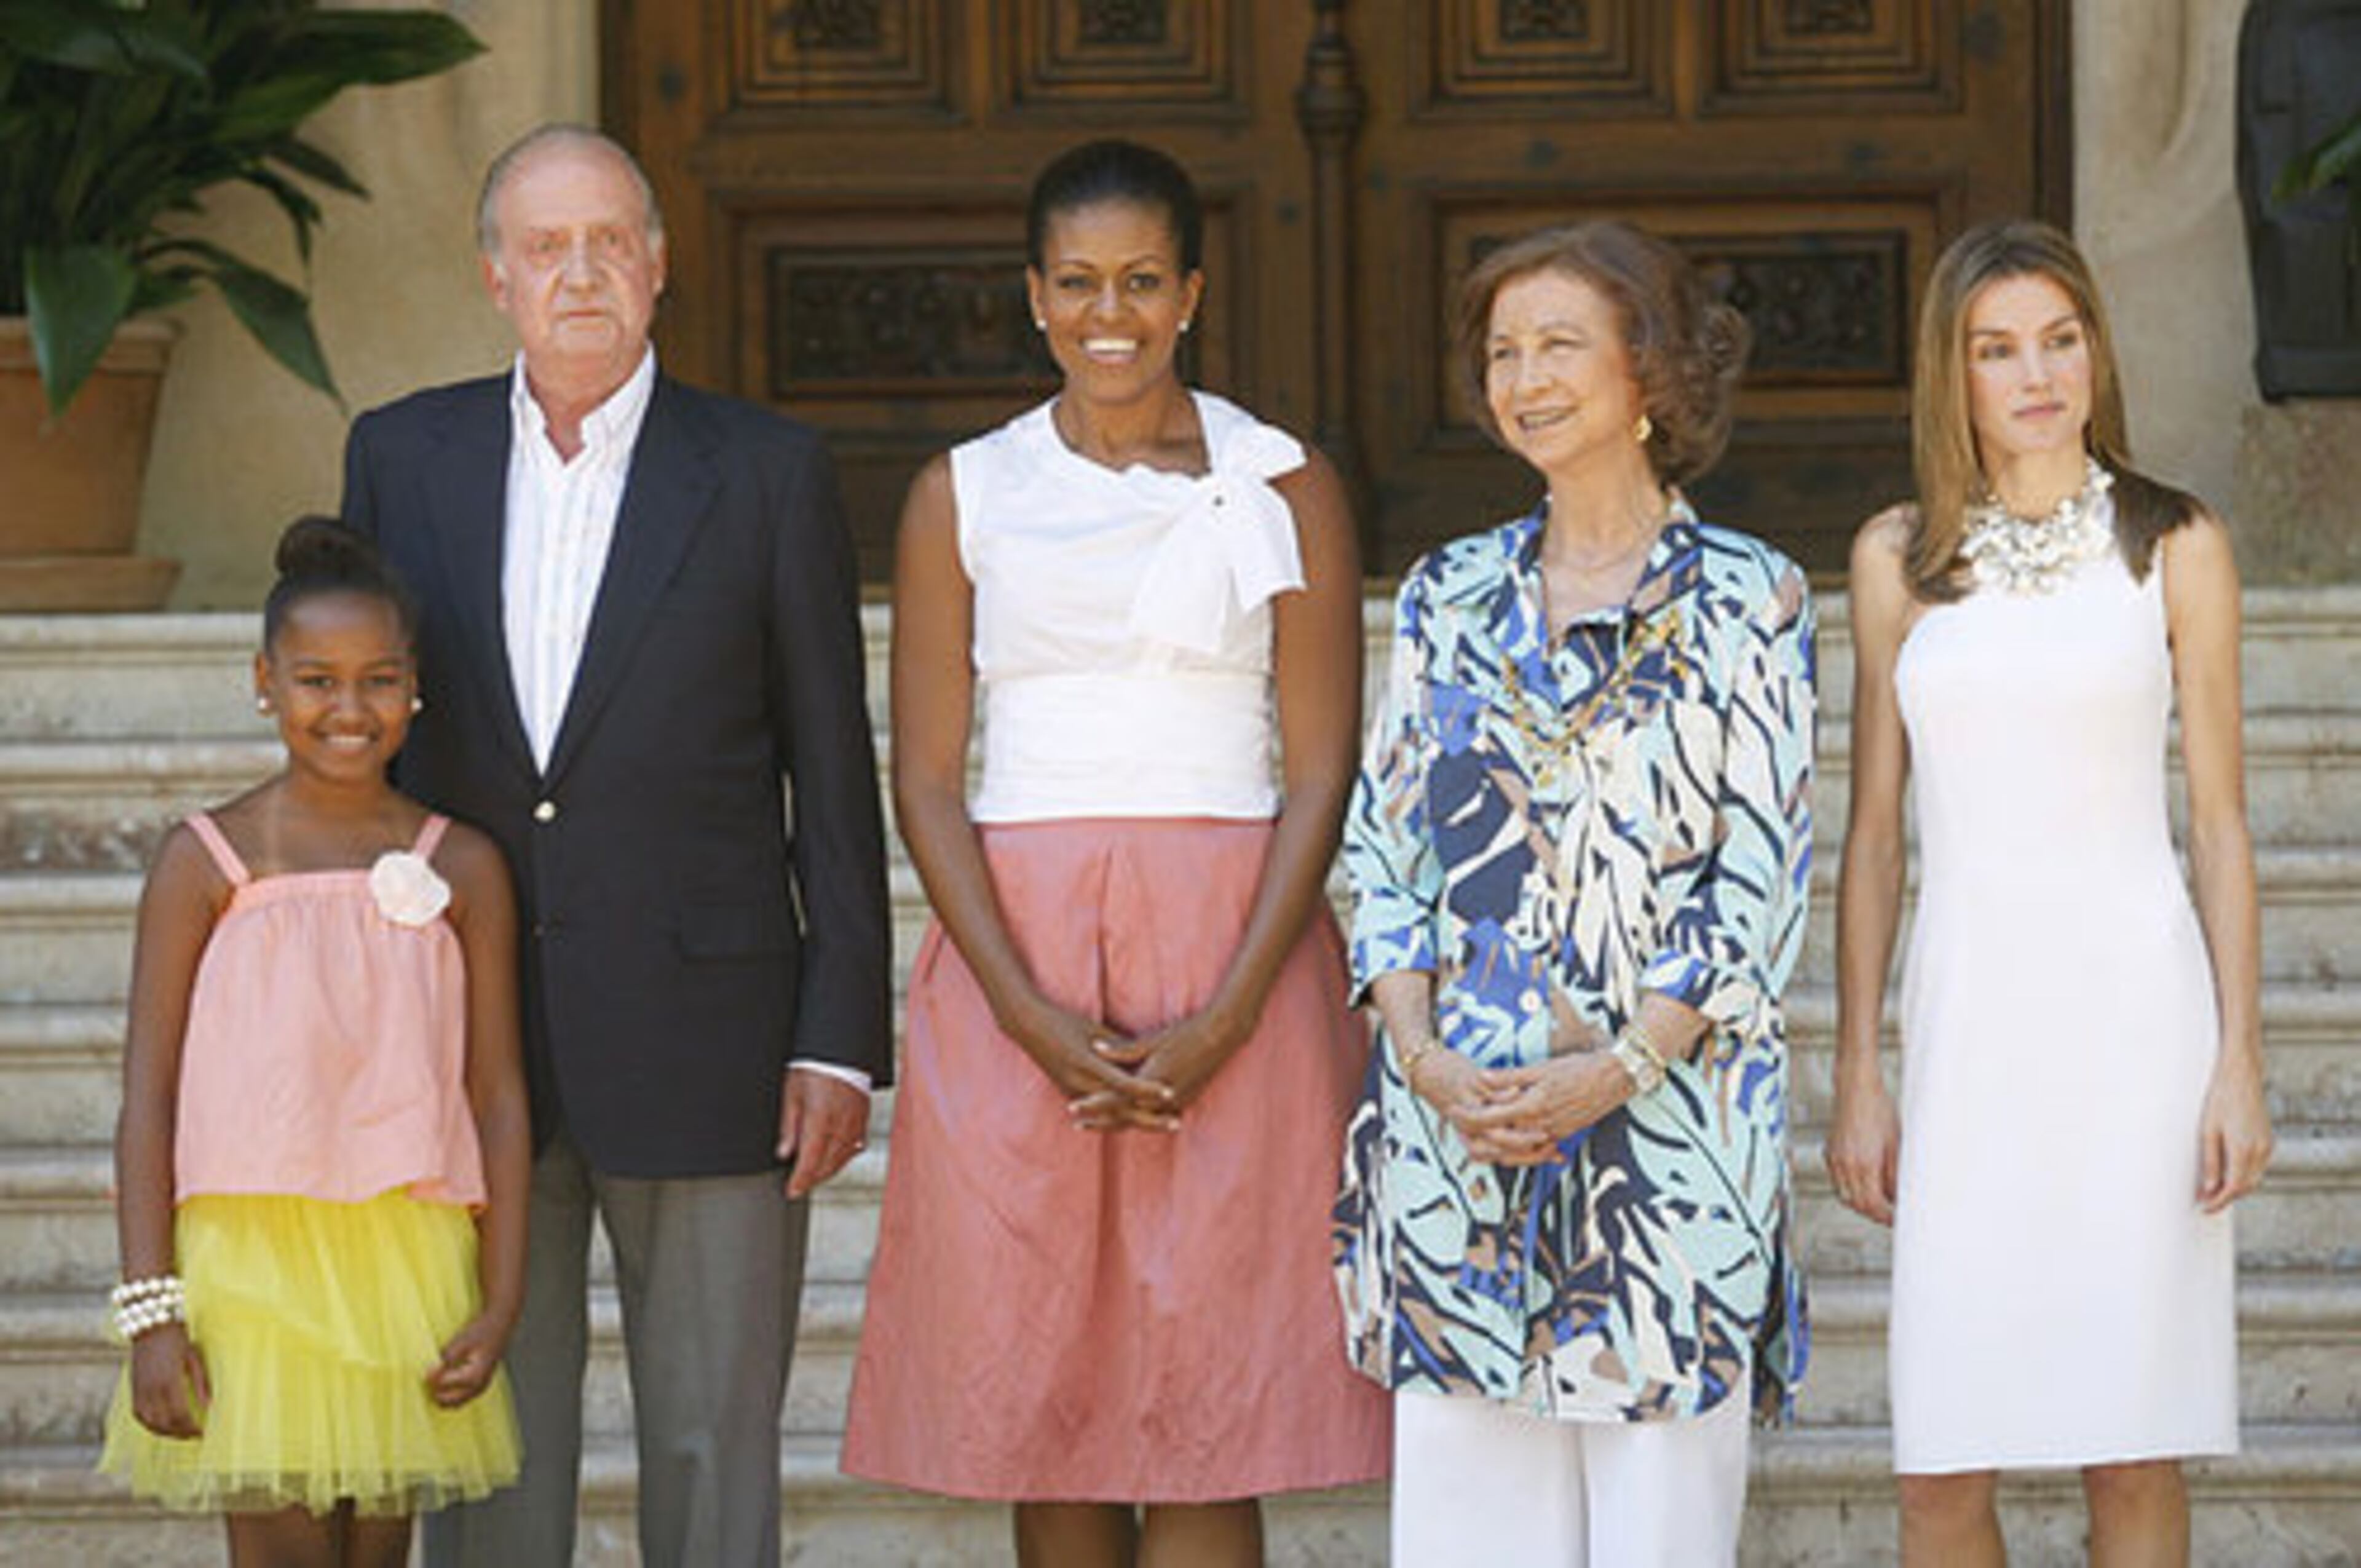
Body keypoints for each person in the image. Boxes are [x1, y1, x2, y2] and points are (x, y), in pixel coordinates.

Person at [339, 124, 893, 1568]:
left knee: (714, 1455)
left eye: (608, 243)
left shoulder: (768, 472)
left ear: (659, 264)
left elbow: (832, 772)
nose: (578, 272)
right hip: (465, 1044)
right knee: (485, 1453)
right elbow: (355, 762)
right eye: (544, 247)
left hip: (712, 1027)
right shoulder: (401, 457)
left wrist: (840, 1035)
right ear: (493, 277)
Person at [839, 138, 1390, 1566]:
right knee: (1050, 1379)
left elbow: (1322, 767)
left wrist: (1233, 1011)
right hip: (1015, 954)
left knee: (1214, 1380)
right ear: (1032, 296)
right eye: (1078, 282)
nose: (1111, 313)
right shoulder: (961, 492)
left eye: (1143, 280)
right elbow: (926, 779)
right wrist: (1023, 1010)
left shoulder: (1285, 483)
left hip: (1237, 944)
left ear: (1192, 291)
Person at [1331, 220, 1814, 1566]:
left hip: (1670, 1146)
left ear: (1647, 371)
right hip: (1463, 1140)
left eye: (1559, 345)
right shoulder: (1445, 594)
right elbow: (1387, 853)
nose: (1525, 377)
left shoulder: (1751, 598)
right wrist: (1420, 1057)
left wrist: (1619, 1067)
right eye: (1502, 351)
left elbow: (1756, 877)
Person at [1825, 218, 2273, 1566]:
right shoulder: (1897, 560)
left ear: (2097, 354)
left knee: (2130, 1449)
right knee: (1942, 1471)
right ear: (1951, 375)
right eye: (1998, 348)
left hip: (2138, 1029)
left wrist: (2242, 1059)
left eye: (2061, 340)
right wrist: (1859, 1066)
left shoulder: (2175, 542)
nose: (2037, 375)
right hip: (1969, 1040)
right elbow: (1873, 834)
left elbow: (2221, 820)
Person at [100, 517, 529, 1568]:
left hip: (405, 1258)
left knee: (376, 1550)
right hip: (249, 1268)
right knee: (282, 1551)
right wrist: (153, 1308)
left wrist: (503, 1291)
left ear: (416, 685)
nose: (349, 708)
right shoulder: (202, 862)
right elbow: (148, 1098)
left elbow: (499, 1094)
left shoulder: (462, 864)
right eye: (316, 679)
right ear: (265, 681)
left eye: (378, 679)